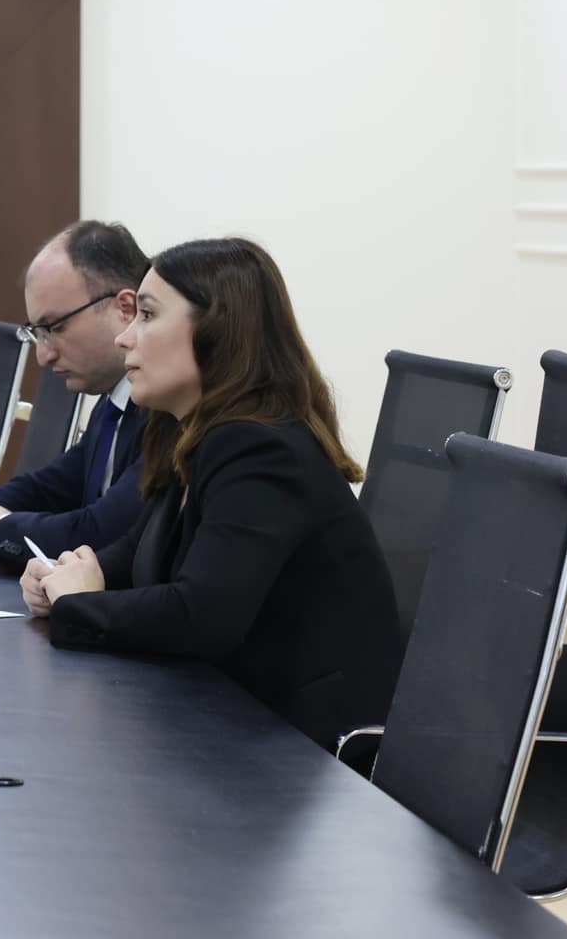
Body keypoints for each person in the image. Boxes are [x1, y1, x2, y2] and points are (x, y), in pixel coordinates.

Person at [23, 237, 402, 751]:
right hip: (230, 717)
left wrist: (79, 604)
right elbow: (132, 555)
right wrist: (57, 577)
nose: (125, 338)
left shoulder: (260, 447)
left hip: (303, 752)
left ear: (216, 329)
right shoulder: (191, 430)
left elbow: (201, 616)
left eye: (147, 315)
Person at [0, 220, 151, 571]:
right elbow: (52, 487)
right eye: (38, 333)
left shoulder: (167, 411)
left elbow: (100, 532)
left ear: (125, 308)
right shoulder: (114, 401)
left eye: (56, 327)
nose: (43, 356)